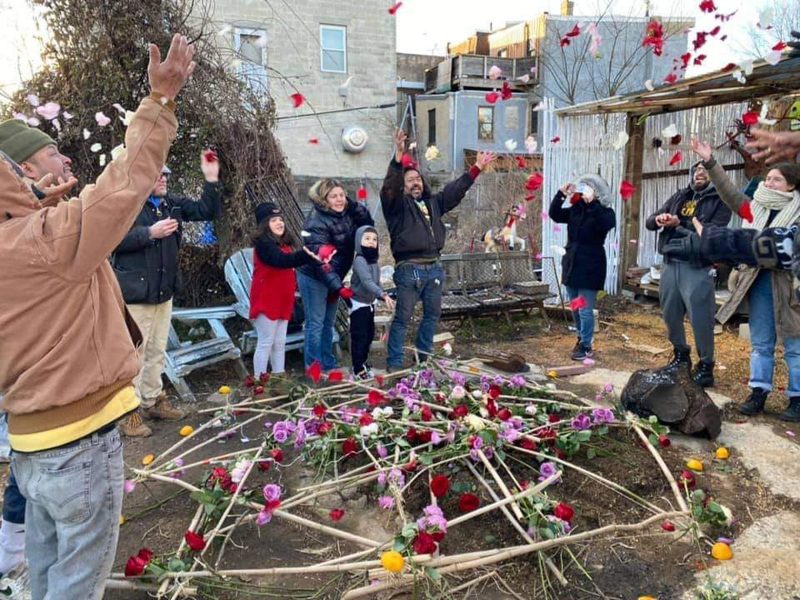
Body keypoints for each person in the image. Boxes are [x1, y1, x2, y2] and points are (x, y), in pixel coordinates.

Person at [0, 34, 195, 600]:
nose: (57, 164)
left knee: (47, 572)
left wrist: (42, 203)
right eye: (18, 170)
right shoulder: (40, 241)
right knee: (75, 587)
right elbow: (125, 184)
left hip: (33, 444)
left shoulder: (27, 238)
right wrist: (159, 102)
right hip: (79, 443)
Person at [112, 148, 222, 437]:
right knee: (133, 355)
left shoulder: (170, 203)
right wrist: (150, 233)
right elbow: (111, 241)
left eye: (166, 174)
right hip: (136, 293)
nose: (164, 178)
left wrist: (211, 179)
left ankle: (152, 400)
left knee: (157, 350)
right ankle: (128, 413)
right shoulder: (125, 204)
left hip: (163, 291)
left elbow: (205, 211)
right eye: (158, 174)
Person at [692, 138, 800, 421]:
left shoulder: (797, 214)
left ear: (791, 185)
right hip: (759, 282)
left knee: (795, 346)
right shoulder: (758, 207)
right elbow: (728, 193)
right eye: (768, 178)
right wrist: (710, 161)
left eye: (777, 180)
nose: (770, 183)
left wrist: (718, 239)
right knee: (761, 343)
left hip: (790, 288)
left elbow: (777, 247)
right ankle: (758, 393)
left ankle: (797, 398)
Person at [381, 129, 496, 370]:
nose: (416, 183)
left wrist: (475, 169)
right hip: (410, 269)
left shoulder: (433, 204)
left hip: (434, 268)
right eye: (410, 180)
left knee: (432, 317)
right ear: (403, 186)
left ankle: (423, 360)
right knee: (403, 318)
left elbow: (455, 191)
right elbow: (389, 187)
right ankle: (394, 364)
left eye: (418, 179)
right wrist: (398, 157)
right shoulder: (397, 207)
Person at [645, 161, 731, 387]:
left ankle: (706, 366)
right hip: (670, 262)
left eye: (705, 170)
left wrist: (678, 224)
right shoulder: (680, 196)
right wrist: (659, 219)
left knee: (700, 319)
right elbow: (649, 222)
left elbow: (710, 234)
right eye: (696, 170)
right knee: (670, 314)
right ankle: (681, 356)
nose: (699, 173)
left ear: (714, 175)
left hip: (697, 265)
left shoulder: (721, 201)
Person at [297, 179, 373, 375]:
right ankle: (313, 368)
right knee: (316, 322)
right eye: (333, 196)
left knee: (329, 322)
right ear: (324, 199)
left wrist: (355, 206)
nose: (339, 200)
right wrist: (338, 287)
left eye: (342, 195)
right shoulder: (315, 221)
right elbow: (320, 262)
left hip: (334, 275)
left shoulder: (346, 212)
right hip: (314, 275)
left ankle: (328, 364)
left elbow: (367, 227)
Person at [549, 175, 617, 361]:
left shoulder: (605, 212)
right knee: (576, 306)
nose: (585, 190)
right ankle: (581, 337)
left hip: (591, 265)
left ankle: (586, 345)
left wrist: (593, 204)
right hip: (572, 263)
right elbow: (555, 214)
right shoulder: (576, 210)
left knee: (585, 308)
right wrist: (561, 194)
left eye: (590, 187)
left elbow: (605, 224)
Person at [249, 202, 319, 378]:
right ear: (265, 225)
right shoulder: (264, 245)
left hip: (283, 301)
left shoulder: (283, 245)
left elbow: (289, 262)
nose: (280, 223)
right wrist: (306, 254)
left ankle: (279, 377)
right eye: (273, 220)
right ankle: (259, 381)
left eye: (280, 219)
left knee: (279, 342)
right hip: (267, 300)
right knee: (266, 342)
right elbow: (282, 261)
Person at [349, 225, 396, 378]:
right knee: (360, 337)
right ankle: (357, 369)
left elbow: (377, 282)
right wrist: (382, 294)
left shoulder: (373, 261)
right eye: (367, 238)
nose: (371, 242)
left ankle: (363, 362)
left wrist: (384, 294)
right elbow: (367, 282)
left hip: (369, 303)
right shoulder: (360, 260)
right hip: (359, 304)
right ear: (359, 241)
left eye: (374, 239)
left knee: (369, 335)